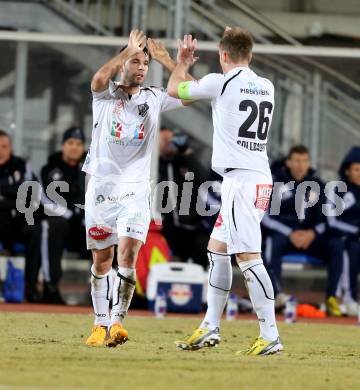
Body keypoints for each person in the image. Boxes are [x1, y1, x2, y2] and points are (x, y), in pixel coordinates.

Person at [167, 28, 282, 355]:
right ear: (251, 54)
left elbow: (176, 89)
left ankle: (270, 334)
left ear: (224, 56)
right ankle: (210, 326)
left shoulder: (221, 81)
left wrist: (181, 62)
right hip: (258, 176)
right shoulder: (266, 86)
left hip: (241, 182)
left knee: (248, 257)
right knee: (217, 248)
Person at [83, 29, 190, 347]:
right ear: (123, 64)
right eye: (135, 61)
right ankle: (99, 324)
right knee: (102, 260)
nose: (142, 67)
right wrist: (125, 51)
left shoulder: (154, 98)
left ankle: (116, 323)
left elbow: (193, 92)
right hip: (102, 186)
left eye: (145, 62)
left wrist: (170, 62)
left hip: (136, 189)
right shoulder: (105, 96)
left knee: (128, 255)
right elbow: (99, 78)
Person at [262, 145, 344, 316]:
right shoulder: (274, 182)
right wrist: (289, 233)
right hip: (284, 236)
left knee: (336, 244)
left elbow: (329, 219)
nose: (301, 165)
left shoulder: (318, 185)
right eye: (297, 161)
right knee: (270, 243)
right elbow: (265, 217)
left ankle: (332, 298)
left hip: (309, 238)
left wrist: (312, 233)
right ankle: (276, 296)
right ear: (288, 162)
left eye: (304, 161)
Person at [40, 126, 87, 304]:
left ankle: (103, 291)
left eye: (78, 143)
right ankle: (51, 287)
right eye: (70, 143)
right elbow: (44, 199)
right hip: (60, 224)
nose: (74, 147)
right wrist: (68, 214)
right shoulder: (49, 169)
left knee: (107, 230)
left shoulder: (90, 170)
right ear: (63, 146)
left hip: (82, 227)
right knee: (54, 226)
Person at [0, 129, 42, 302]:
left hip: (18, 222)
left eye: (4, 146)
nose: (1, 150)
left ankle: (31, 289)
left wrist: (3, 193)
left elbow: (32, 193)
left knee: (35, 230)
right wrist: (15, 192)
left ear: (10, 148)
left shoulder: (21, 165)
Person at [158, 127, 209, 267]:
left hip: (190, 227)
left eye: (172, 140)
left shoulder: (184, 161)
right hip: (164, 229)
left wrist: (186, 151)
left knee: (202, 254)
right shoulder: (153, 165)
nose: (170, 143)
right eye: (165, 140)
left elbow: (204, 179)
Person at [328, 146, 360, 314]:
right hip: (342, 238)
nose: (359, 173)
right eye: (356, 169)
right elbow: (331, 221)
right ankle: (348, 298)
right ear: (347, 171)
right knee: (349, 249)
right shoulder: (337, 190)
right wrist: (355, 231)